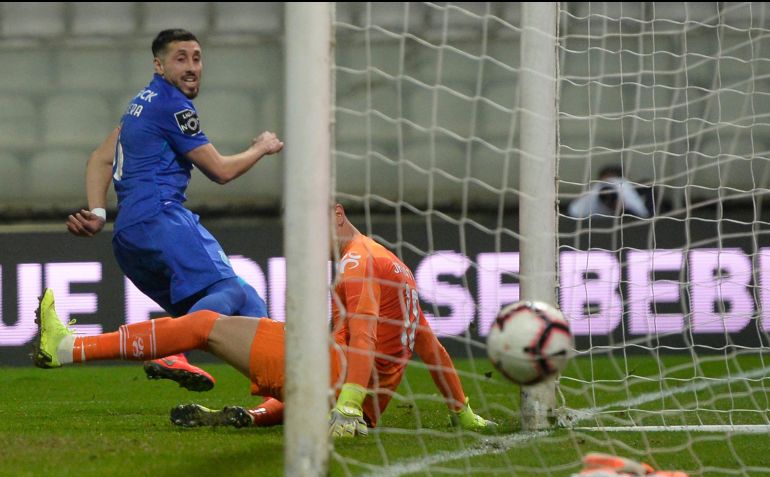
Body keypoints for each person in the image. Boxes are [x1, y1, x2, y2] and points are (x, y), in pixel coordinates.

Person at [34, 204, 496, 437]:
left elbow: (365, 334)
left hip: (331, 379)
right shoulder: (394, 265)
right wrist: (463, 412)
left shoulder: (357, 262)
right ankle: (252, 417)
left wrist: (349, 404)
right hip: (348, 397)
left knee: (204, 324)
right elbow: (430, 347)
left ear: (336, 215)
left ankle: (67, 348)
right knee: (253, 337)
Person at [64, 29, 284, 392]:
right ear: (159, 65)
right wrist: (261, 147)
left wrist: (99, 213)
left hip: (128, 237)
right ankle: (176, 354)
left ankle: (278, 387)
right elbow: (221, 171)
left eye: (196, 58)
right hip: (161, 219)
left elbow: (100, 158)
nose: (192, 66)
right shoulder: (173, 106)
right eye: (180, 58)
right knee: (232, 290)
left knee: (232, 306)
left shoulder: (140, 105)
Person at [567, 165, 651, 219]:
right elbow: (574, 210)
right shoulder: (596, 191)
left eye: (613, 179)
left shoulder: (627, 190)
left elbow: (641, 213)